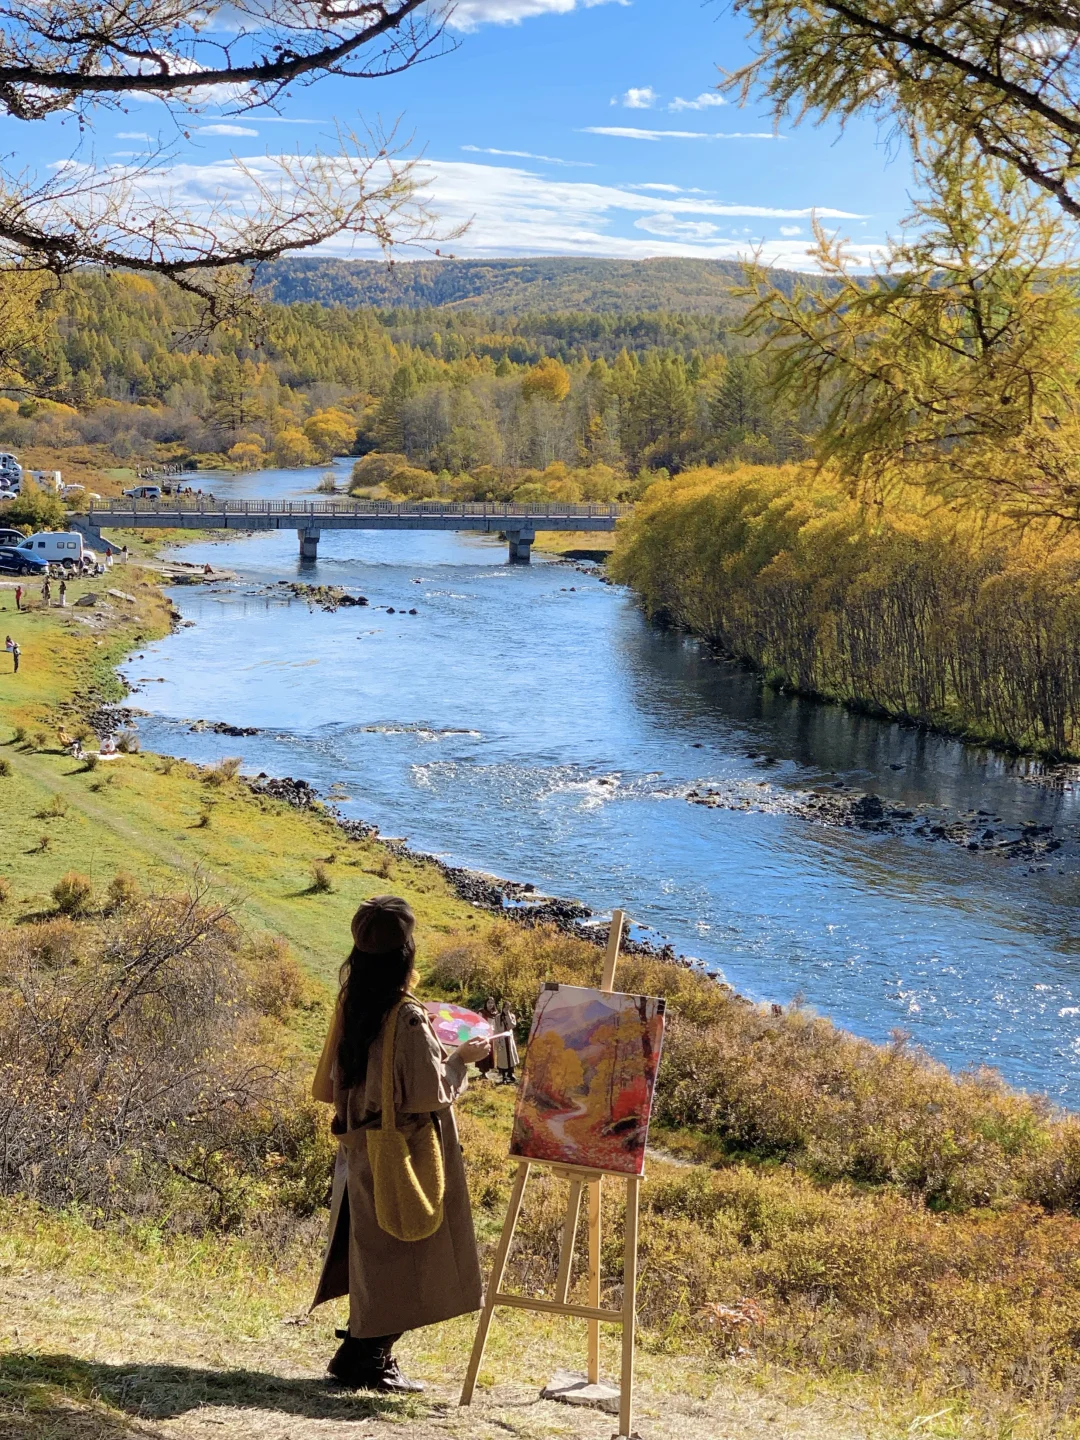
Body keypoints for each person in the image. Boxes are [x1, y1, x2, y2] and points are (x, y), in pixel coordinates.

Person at [310, 895, 488, 1393]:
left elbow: (331, 1084)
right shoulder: (406, 1017)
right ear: (406, 953)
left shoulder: (354, 1000)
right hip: (404, 1152)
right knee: (410, 1253)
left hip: (359, 1149)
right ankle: (369, 1357)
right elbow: (431, 1093)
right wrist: (463, 1057)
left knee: (376, 1251)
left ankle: (359, 1351)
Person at [493, 1003, 520, 1085]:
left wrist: (508, 1016)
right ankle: (504, 1075)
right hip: (502, 1039)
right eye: (505, 1007)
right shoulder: (497, 1017)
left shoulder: (512, 1016)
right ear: (503, 1007)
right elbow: (496, 1029)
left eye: (508, 1007)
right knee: (503, 1058)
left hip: (509, 1039)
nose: (507, 1009)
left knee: (511, 1057)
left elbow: (512, 1026)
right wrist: (497, 1040)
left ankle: (510, 1074)